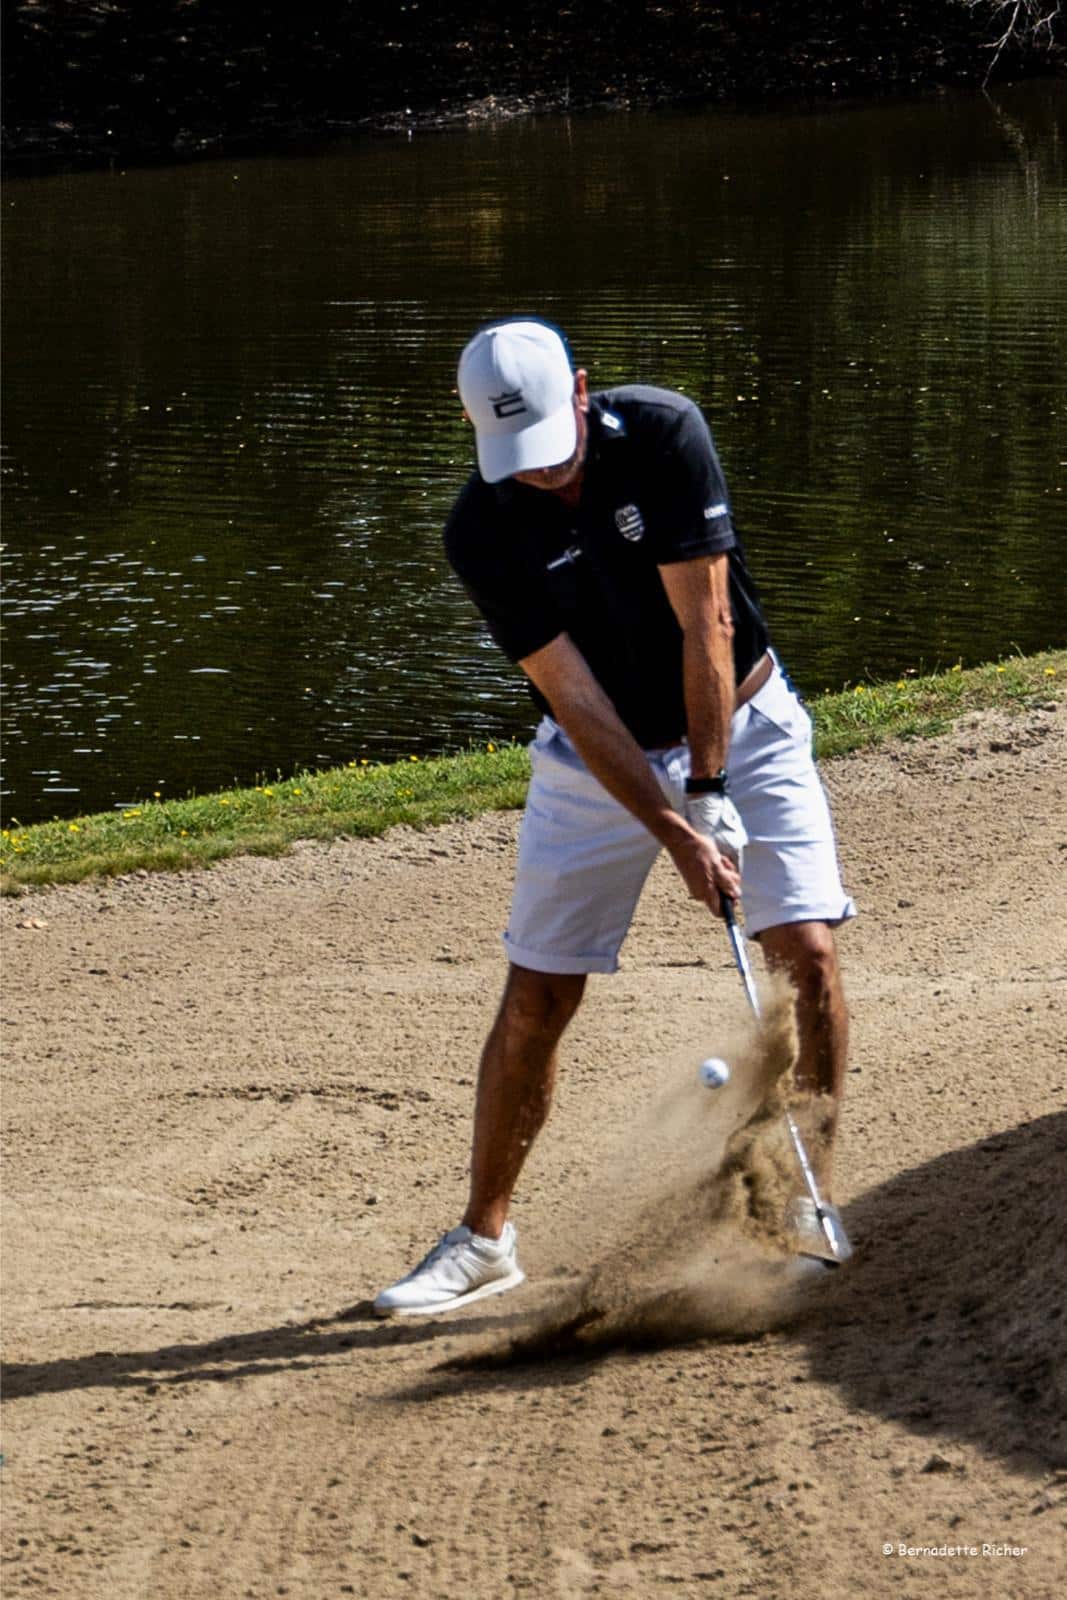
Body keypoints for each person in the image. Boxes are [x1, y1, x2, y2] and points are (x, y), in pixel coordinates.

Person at [373, 318, 855, 1318]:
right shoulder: (480, 527)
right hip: (594, 757)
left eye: (552, 446)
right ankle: (483, 1240)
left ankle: (799, 1199)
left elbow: (704, 623)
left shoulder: (665, 434)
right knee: (537, 994)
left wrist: (709, 790)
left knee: (805, 953)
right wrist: (674, 831)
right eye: (517, 456)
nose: (541, 473)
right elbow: (572, 695)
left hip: (741, 721)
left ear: (582, 391)